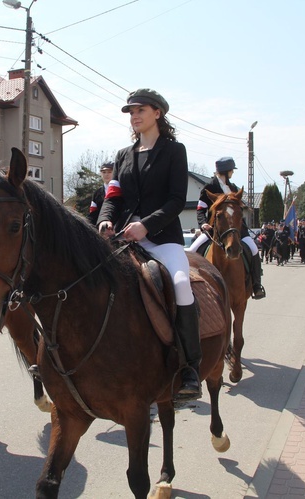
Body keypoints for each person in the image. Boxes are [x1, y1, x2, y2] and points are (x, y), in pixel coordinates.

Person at [97, 88, 200, 400]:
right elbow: (112, 196)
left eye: (140, 110)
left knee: (181, 284)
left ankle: (190, 368)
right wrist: (105, 218)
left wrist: (146, 225)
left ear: (158, 113)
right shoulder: (122, 156)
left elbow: (175, 200)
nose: (135, 116)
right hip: (124, 240)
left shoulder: (174, 151)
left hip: (163, 239)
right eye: (131, 112)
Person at [188, 156, 266, 298]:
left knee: (254, 249)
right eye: (231, 170)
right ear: (226, 171)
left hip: (237, 229)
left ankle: (256, 284)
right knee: (192, 250)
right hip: (214, 230)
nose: (232, 173)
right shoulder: (209, 188)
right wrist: (203, 223)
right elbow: (200, 209)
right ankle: (190, 286)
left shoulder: (233, 188)